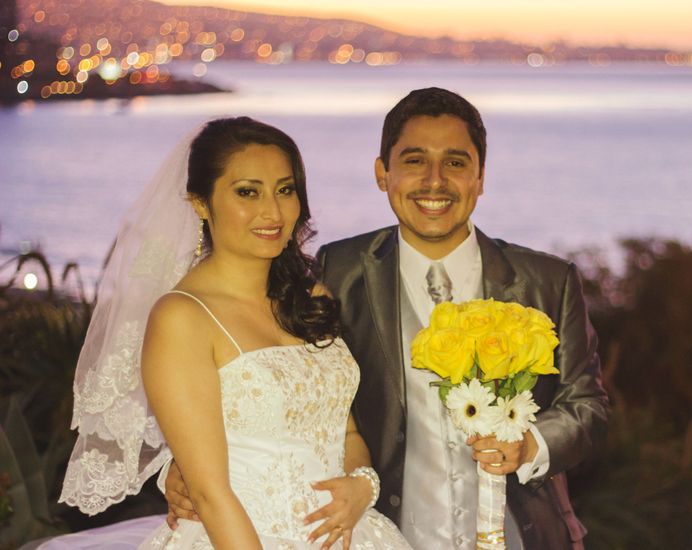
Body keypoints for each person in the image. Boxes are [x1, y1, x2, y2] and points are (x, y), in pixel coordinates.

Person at [166, 88, 610, 549]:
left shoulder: (547, 281)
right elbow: (258, 377)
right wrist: (182, 470)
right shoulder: (334, 273)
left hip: (522, 533)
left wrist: (530, 445)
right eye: (415, 161)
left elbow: (589, 406)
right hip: (388, 532)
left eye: (456, 163)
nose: (434, 181)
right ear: (383, 173)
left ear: (481, 177)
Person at [51, 117, 411, 549]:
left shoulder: (310, 298)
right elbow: (209, 493)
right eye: (247, 192)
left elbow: (345, 432)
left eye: (285, 189)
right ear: (200, 203)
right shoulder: (182, 318)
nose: (273, 212)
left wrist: (361, 487)